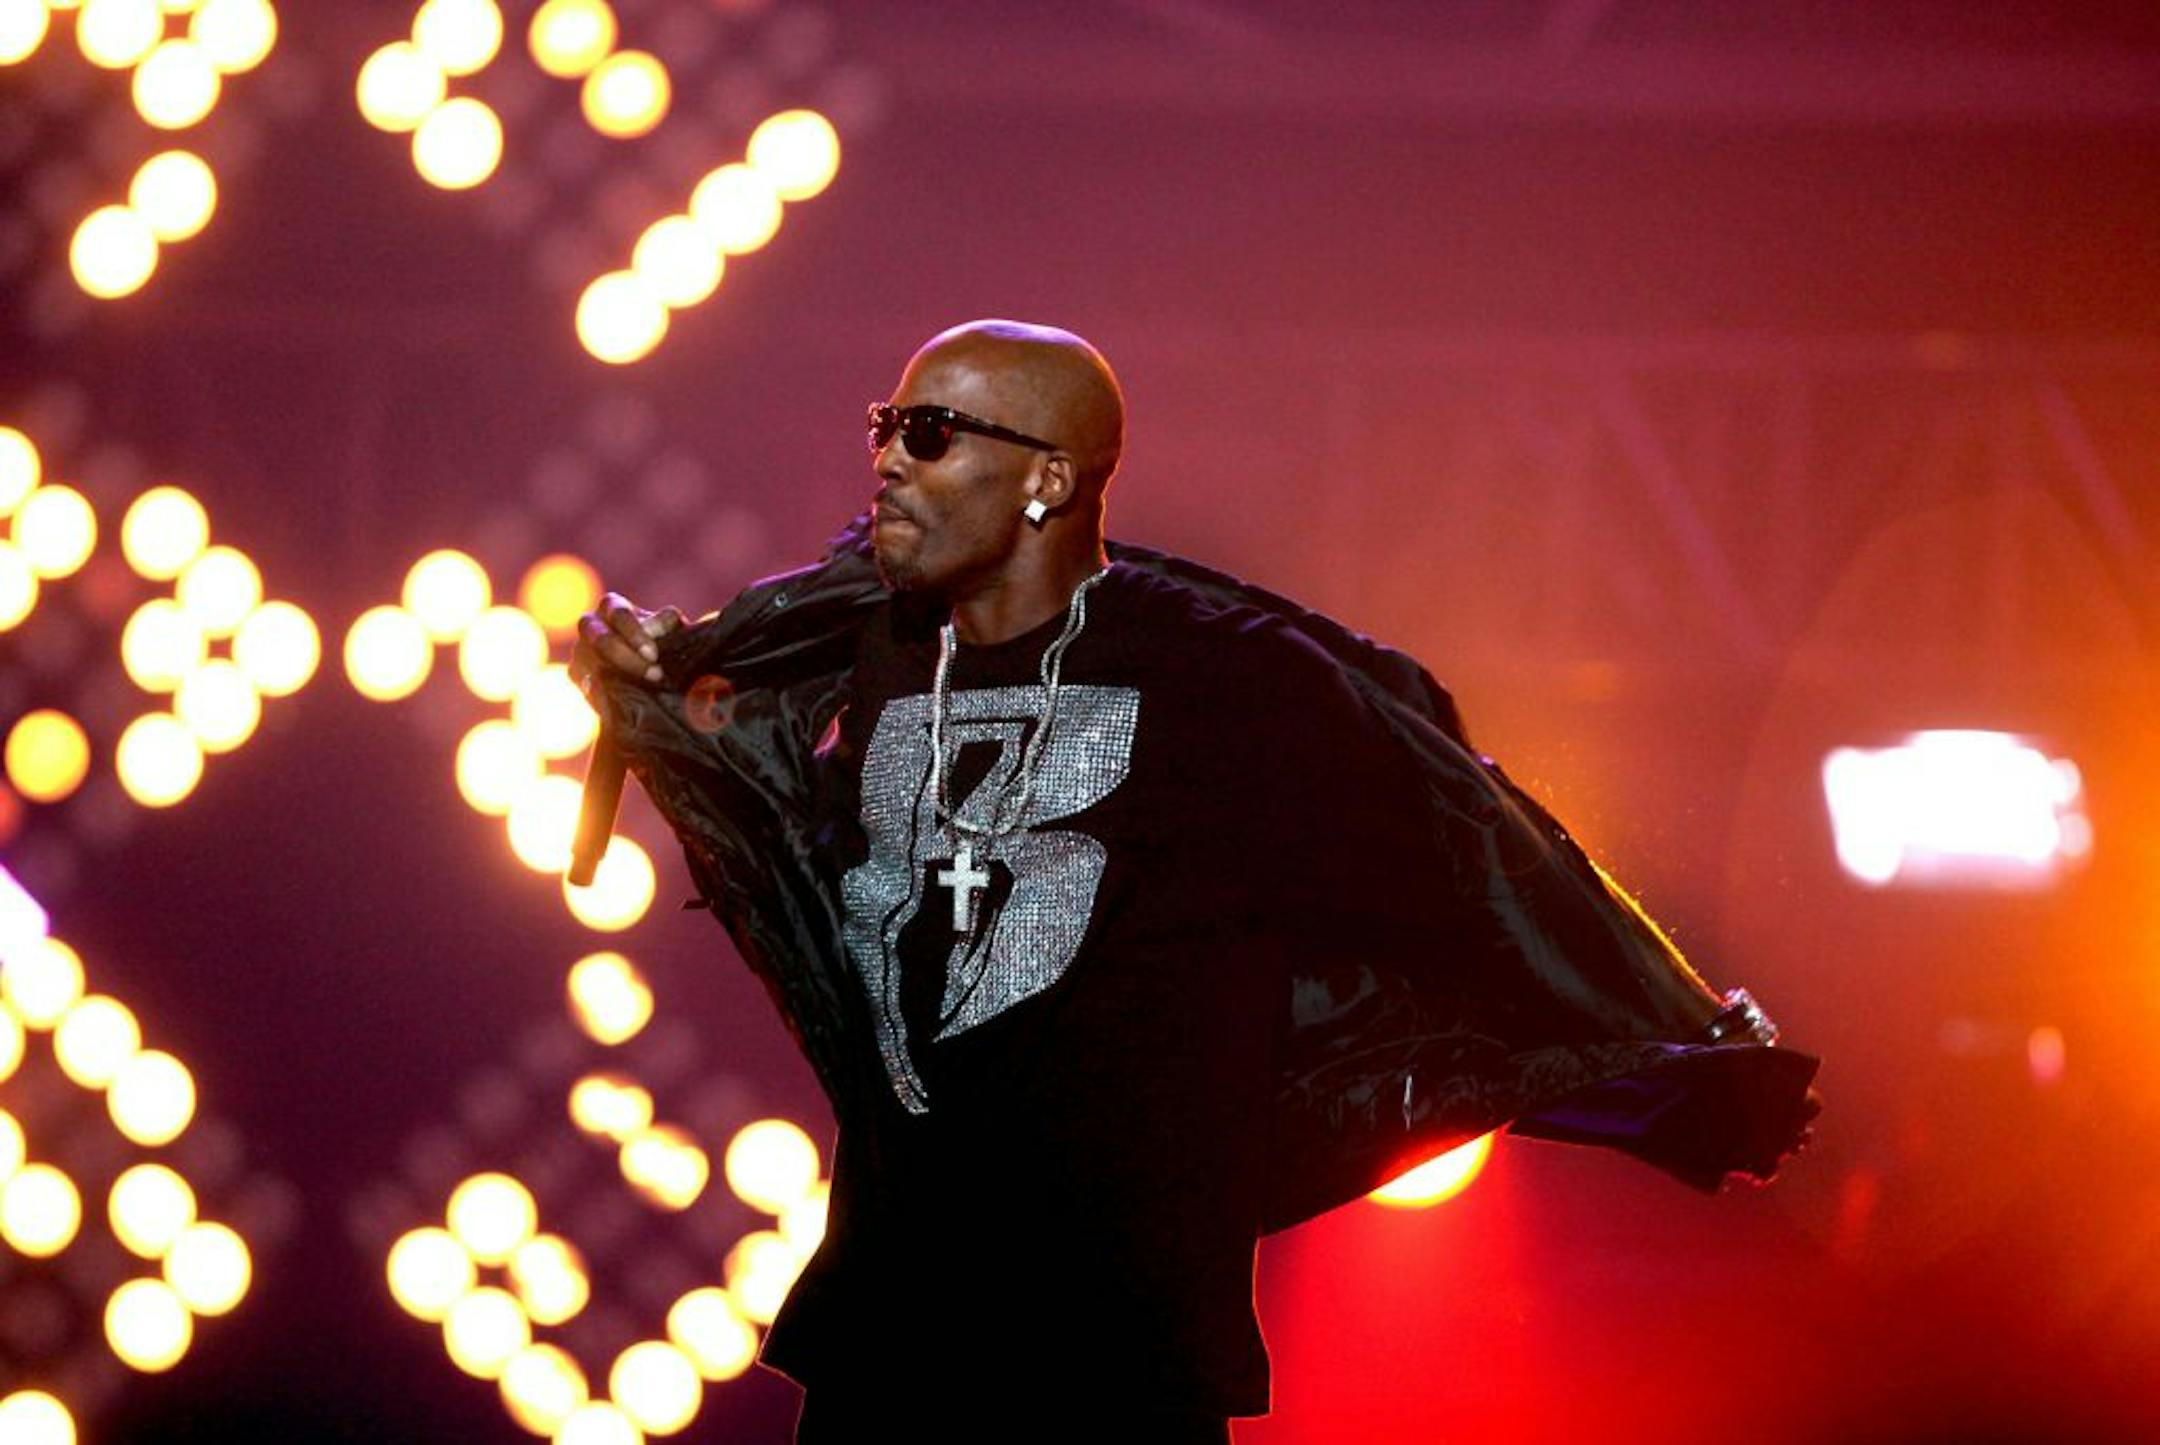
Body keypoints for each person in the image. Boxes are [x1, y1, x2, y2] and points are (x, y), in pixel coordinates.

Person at [572, 320, 1818, 1442]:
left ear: (1049, 481)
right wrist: (665, 698)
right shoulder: (882, 644)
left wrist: (1665, 1066)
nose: (890, 459)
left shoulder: (1233, 680)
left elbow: (1471, 868)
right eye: (886, 425)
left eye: (934, 433)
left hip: (1117, 1367)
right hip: (885, 1349)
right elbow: (796, 833)